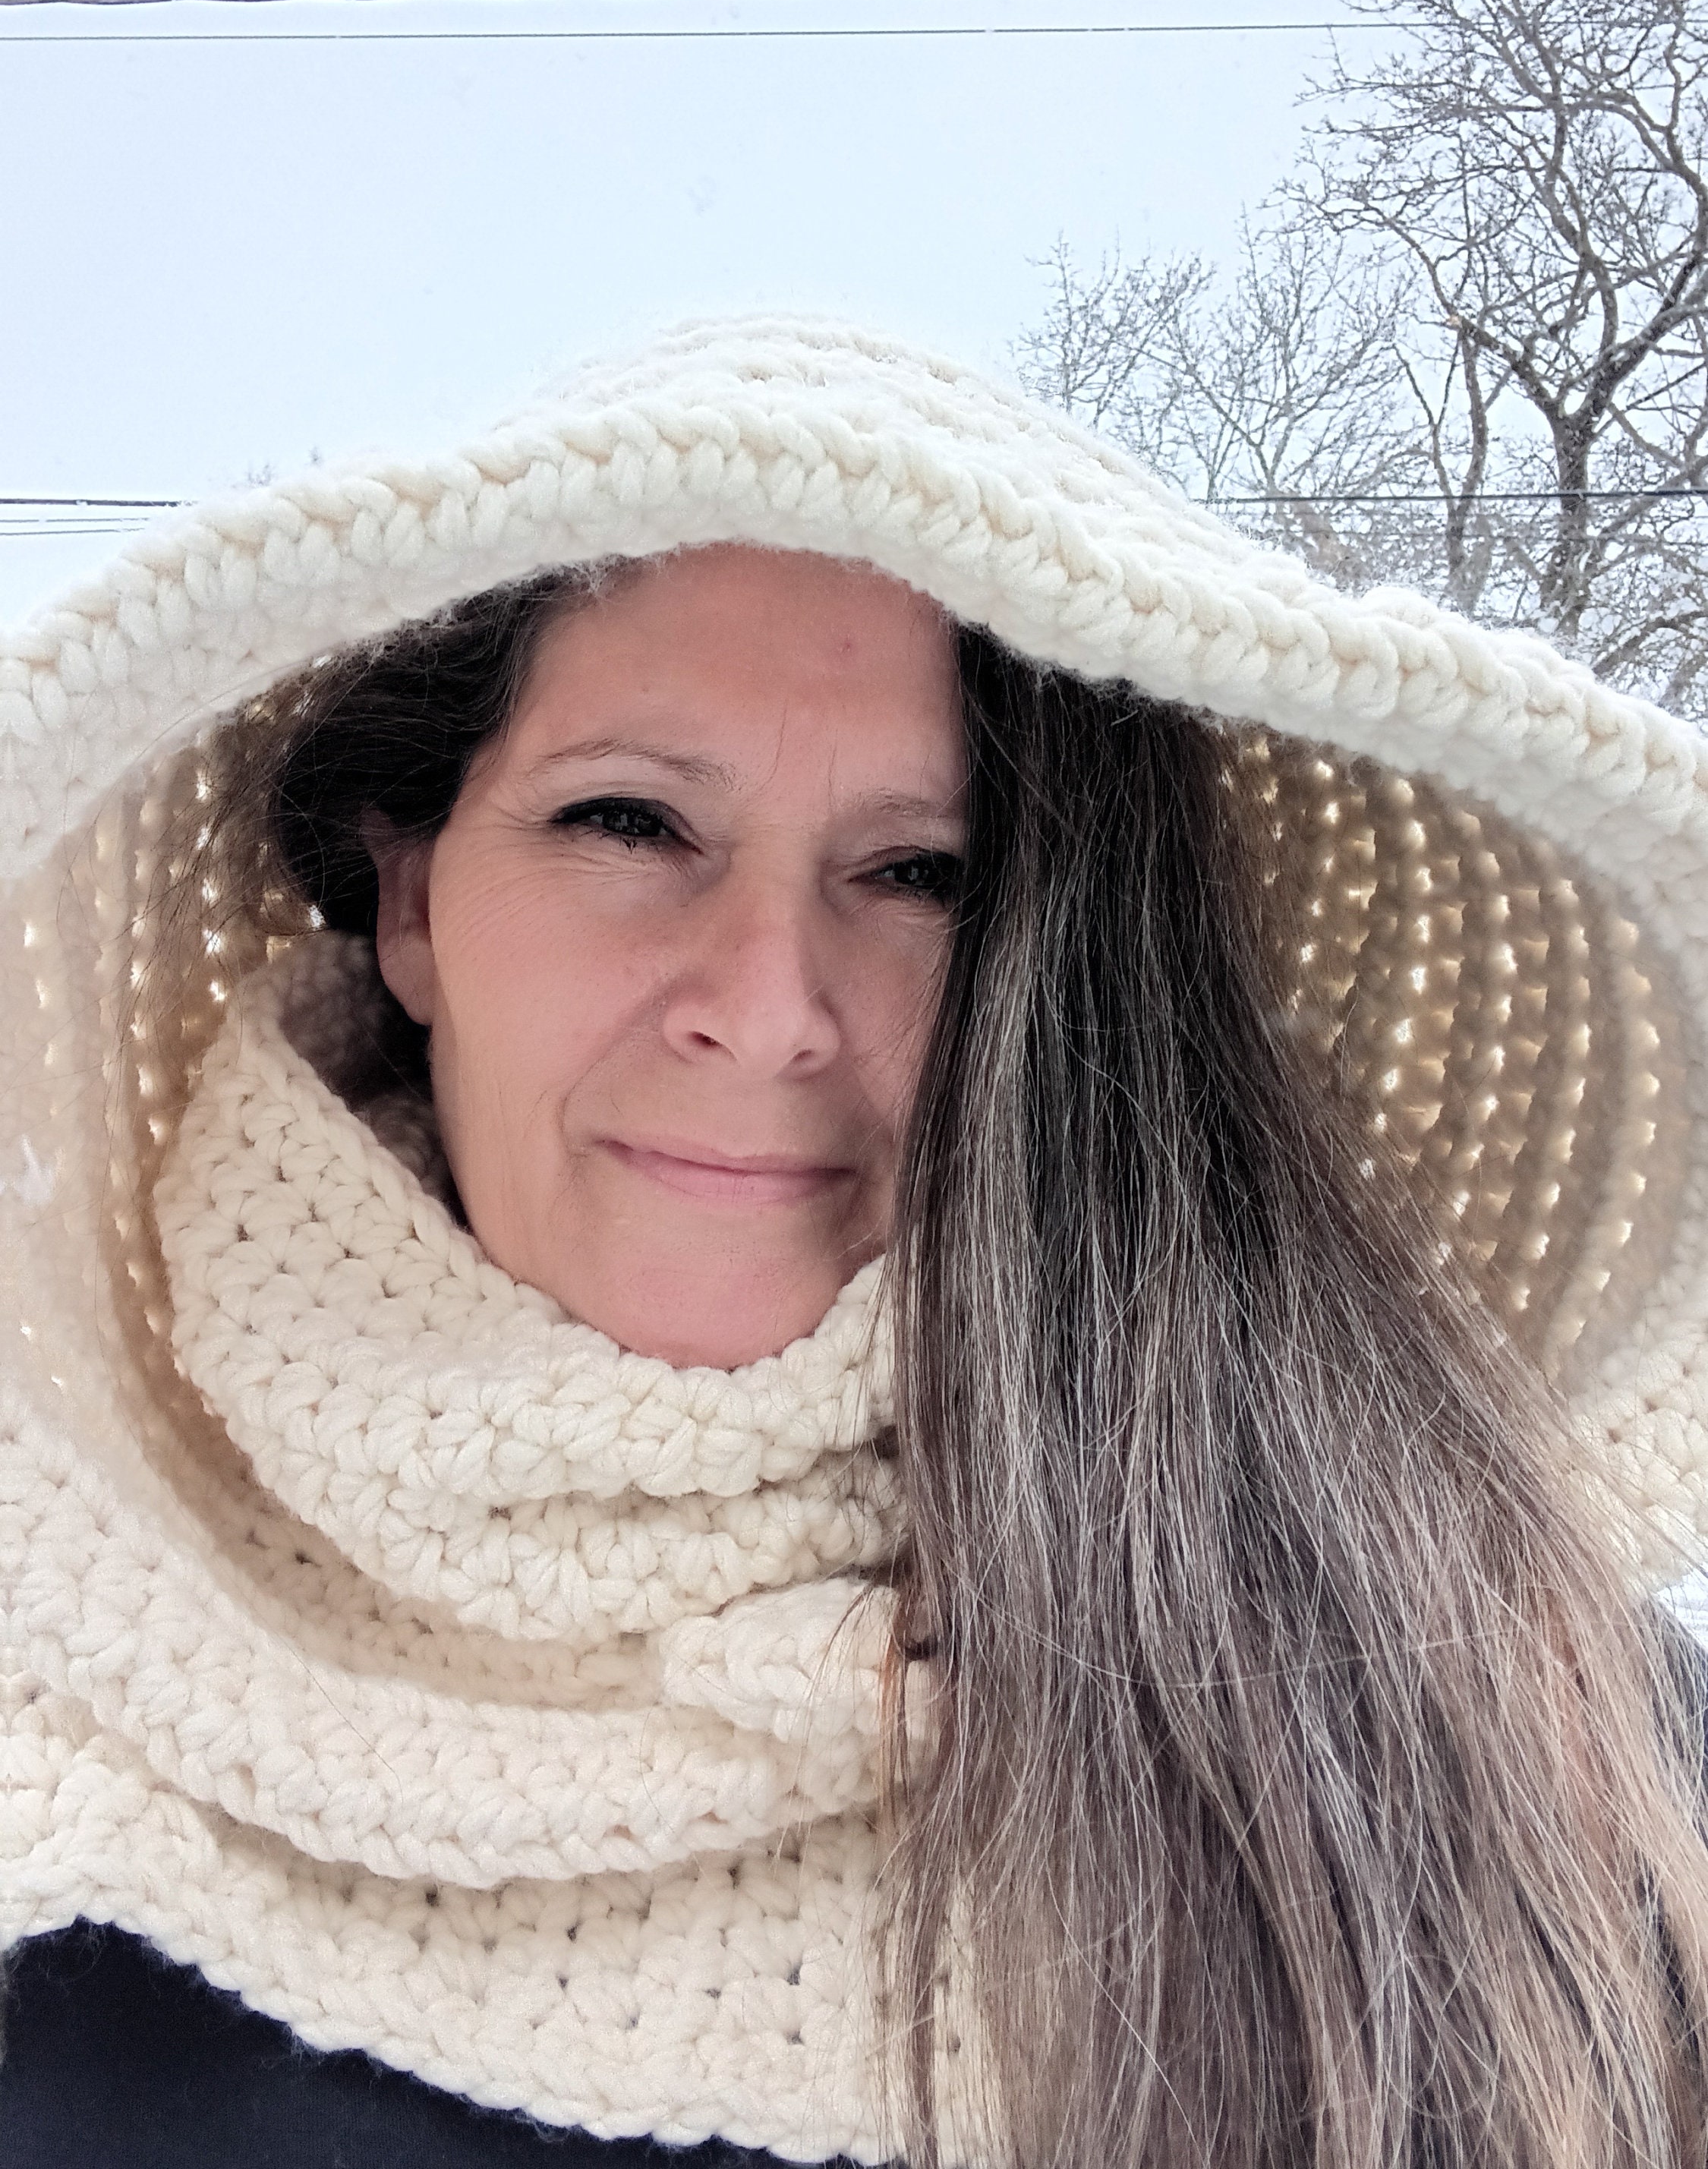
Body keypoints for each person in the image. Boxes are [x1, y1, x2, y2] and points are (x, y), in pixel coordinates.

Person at [6, 315, 1708, 2169]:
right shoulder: (59, 1689)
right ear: (414, 900)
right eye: (629, 821)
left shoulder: (1523, 1733)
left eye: (921, 874)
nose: (768, 1010)